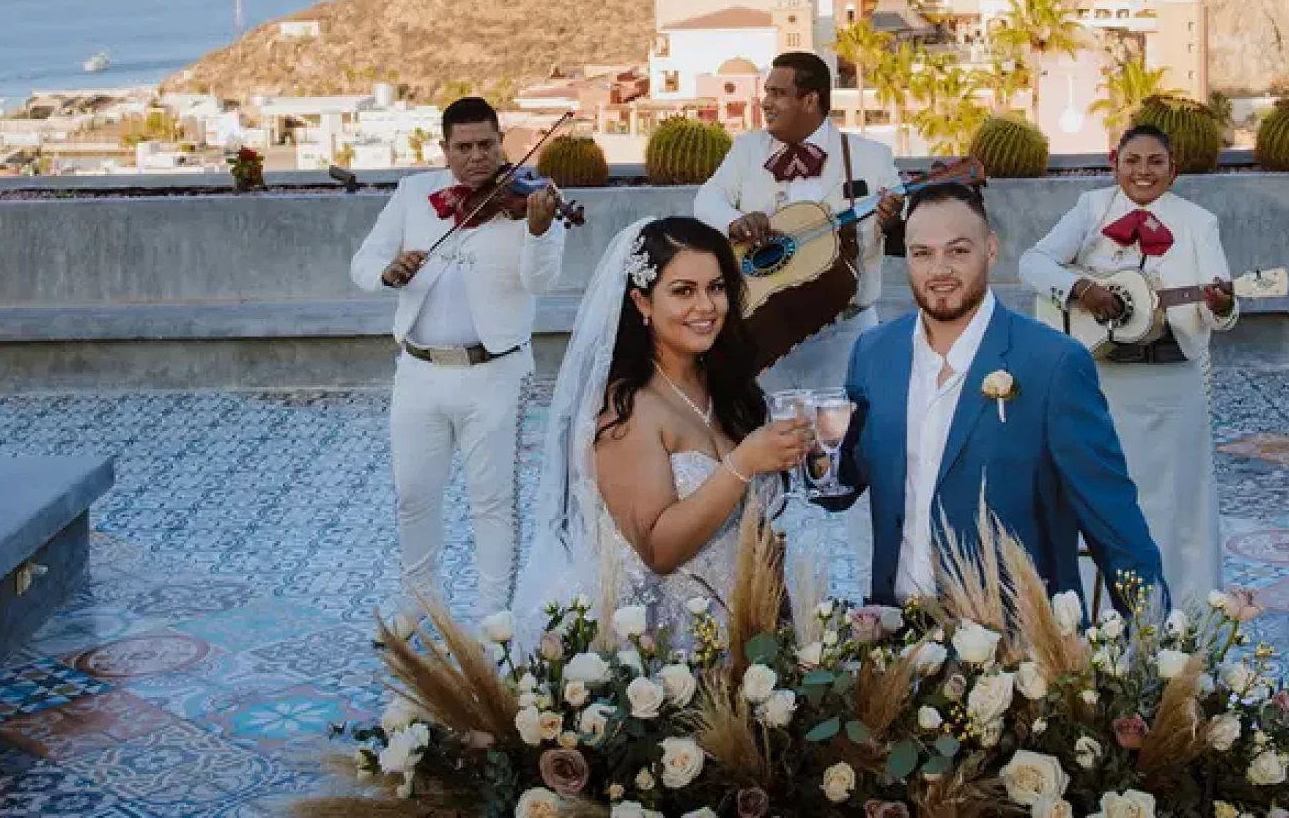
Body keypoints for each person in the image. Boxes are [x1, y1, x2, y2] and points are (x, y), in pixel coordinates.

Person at [824, 182, 1164, 608]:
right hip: (897, 638)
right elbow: (842, 484)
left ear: (990, 249)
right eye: (922, 253)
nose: (939, 269)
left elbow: (1111, 517)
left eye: (958, 251)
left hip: (1018, 645)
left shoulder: (1054, 363)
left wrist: (1156, 643)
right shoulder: (873, 353)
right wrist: (819, 452)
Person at [514, 216, 809, 634]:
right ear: (642, 303)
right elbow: (658, 549)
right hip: (671, 648)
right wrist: (744, 462)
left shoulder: (728, 390)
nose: (705, 306)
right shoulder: (626, 409)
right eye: (683, 291)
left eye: (716, 287)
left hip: (753, 635)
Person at [350, 96, 566, 620]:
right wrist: (388, 271)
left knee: (492, 502)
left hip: (495, 373)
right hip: (419, 372)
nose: (476, 157)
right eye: (463, 147)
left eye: (487, 145)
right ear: (444, 149)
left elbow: (542, 282)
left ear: (502, 143)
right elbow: (363, 261)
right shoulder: (413, 193)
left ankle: (495, 619)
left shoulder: (534, 199)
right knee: (412, 495)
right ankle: (419, 602)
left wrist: (536, 232)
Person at [1019, 122, 1237, 607]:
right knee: (1101, 498)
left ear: (1173, 170)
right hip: (1100, 382)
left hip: (1171, 387)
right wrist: (1083, 290)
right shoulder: (1091, 208)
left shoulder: (1198, 223)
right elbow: (1033, 265)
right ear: (1114, 161)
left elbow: (1215, 312)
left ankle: (1183, 621)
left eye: (1155, 162)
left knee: (1179, 503)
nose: (1143, 171)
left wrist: (1221, 304)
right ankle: (1099, 620)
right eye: (1132, 160)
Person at [695, 51, 901, 391]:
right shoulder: (747, 150)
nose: (766, 103)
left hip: (846, 335)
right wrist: (736, 221)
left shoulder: (871, 157)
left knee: (845, 438)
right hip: (765, 333)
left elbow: (901, 228)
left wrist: (892, 220)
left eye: (777, 93)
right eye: (766, 92)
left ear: (810, 100)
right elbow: (706, 199)